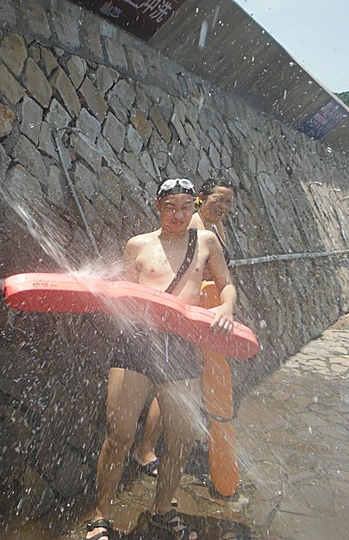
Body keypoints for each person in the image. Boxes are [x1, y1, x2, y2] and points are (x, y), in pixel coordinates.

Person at [86, 178, 237, 540]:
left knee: (182, 438)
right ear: (157, 206)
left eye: (186, 206)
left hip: (181, 344)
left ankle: (161, 510)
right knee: (119, 434)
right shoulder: (137, 245)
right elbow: (124, 295)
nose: (178, 214)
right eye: (170, 206)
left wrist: (227, 307)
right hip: (137, 341)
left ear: (194, 205)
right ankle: (100, 515)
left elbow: (226, 283)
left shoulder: (206, 241)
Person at [132, 177, 237, 497]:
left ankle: (157, 446)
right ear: (201, 199)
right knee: (171, 385)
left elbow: (222, 276)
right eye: (218, 200)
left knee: (179, 383)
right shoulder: (190, 224)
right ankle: (146, 449)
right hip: (182, 315)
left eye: (229, 202)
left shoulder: (216, 229)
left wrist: (225, 307)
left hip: (205, 312)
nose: (223, 207)